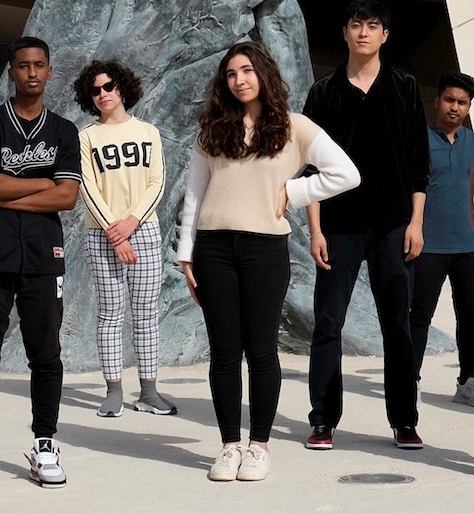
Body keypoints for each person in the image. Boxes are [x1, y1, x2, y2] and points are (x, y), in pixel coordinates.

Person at [177, 40, 360, 482]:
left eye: (245, 71)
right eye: (230, 74)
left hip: (265, 250)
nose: (238, 81)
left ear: (262, 73)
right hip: (214, 249)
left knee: (261, 351)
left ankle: (258, 446)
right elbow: (194, 195)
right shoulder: (213, 128)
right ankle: (228, 447)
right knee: (224, 353)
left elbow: (347, 174)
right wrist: (186, 254)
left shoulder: (294, 127)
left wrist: (294, 194)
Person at [303, 0, 430, 450]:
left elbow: (418, 163)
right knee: (328, 322)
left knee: (396, 324)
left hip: (394, 224)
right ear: (345, 32)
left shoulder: (405, 86)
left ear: (385, 36)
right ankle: (323, 420)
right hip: (339, 225)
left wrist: (416, 222)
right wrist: (315, 230)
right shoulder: (323, 92)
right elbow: (310, 170)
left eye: (372, 26)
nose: (363, 32)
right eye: (356, 24)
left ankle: (404, 419)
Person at [74, 60, 176, 419]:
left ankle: (149, 391)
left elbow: (157, 182)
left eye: (109, 87)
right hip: (102, 234)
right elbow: (86, 187)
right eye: (96, 90)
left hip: (143, 230)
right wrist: (115, 234)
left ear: (122, 89)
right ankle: (113, 390)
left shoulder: (148, 132)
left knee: (146, 314)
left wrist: (130, 224)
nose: (103, 94)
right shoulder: (86, 137)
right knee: (110, 315)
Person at [0, 37, 81, 488]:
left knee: (45, 354)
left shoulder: (64, 131)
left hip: (44, 257)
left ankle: (45, 443)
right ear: (11, 72)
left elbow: (67, 196)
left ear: (50, 72)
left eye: (39, 65)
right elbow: (52, 190)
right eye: (22, 65)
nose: (31, 72)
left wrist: (10, 189)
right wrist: (39, 186)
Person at [410, 71, 474, 407]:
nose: (454, 107)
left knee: (470, 316)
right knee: (420, 315)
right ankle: (410, 379)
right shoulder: (419, 140)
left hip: (467, 245)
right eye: (449, 100)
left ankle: (467, 382)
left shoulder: (472, 143)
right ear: (437, 101)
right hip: (427, 244)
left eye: (462, 102)